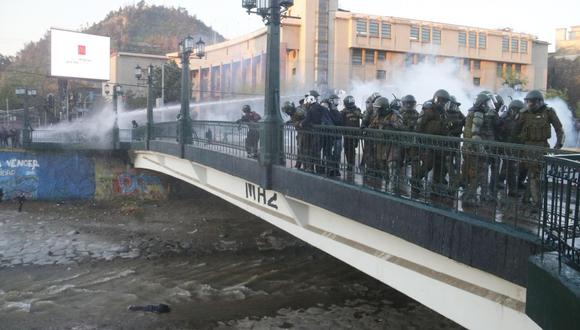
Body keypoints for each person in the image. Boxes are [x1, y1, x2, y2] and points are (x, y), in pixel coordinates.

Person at [517, 90, 564, 209]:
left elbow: (559, 129)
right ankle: (527, 198)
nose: (529, 105)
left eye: (531, 103)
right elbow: (515, 130)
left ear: (539, 102)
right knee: (530, 173)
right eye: (527, 102)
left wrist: (558, 145)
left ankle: (536, 203)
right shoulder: (524, 113)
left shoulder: (548, 112)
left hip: (540, 147)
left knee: (534, 174)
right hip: (526, 148)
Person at [462, 92, 499, 206]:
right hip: (475, 150)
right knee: (479, 174)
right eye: (487, 103)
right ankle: (468, 197)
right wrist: (482, 150)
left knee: (480, 172)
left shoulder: (474, 112)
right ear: (482, 104)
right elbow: (475, 134)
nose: (489, 105)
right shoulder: (478, 113)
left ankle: (482, 195)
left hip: (472, 149)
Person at [414, 89, 451, 196]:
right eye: (441, 101)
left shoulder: (443, 113)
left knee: (440, 164)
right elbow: (419, 125)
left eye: (445, 102)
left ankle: (437, 185)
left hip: (439, 143)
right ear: (436, 99)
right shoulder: (428, 110)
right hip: (428, 143)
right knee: (428, 164)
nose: (443, 104)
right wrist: (419, 140)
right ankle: (415, 180)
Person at [367, 96, 403, 191]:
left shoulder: (394, 114)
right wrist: (366, 128)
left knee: (392, 164)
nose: (376, 110)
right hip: (381, 143)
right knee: (382, 164)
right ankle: (387, 182)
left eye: (378, 108)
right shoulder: (378, 115)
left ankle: (393, 185)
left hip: (392, 143)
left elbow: (400, 125)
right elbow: (373, 124)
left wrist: (388, 123)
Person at [497, 99, 525, 196]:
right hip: (507, 146)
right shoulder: (506, 119)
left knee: (508, 167)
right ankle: (512, 190)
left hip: (512, 147)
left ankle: (500, 181)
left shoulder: (512, 118)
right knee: (511, 168)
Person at [300, 94, 328, 173]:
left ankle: (316, 168)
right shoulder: (320, 107)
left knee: (314, 151)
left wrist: (301, 124)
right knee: (320, 151)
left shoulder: (311, 109)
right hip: (324, 131)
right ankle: (321, 168)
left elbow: (307, 120)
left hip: (316, 132)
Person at [399, 94, 420, 190]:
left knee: (415, 160)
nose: (409, 106)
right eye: (408, 103)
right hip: (402, 140)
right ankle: (397, 179)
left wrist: (414, 128)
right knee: (399, 161)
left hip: (412, 141)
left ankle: (415, 180)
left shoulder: (416, 113)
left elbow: (419, 124)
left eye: (411, 104)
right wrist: (408, 127)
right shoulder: (399, 113)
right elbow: (398, 125)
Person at [444, 95, 466, 189]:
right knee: (448, 160)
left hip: (455, 139)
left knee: (456, 160)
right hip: (449, 139)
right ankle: (454, 179)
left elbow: (464, 120)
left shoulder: (458, 112)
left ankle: (457, 180)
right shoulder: (445, 113)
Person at [341, 95, 362, 178]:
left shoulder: (357, 110)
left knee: (351, 149)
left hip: (354, 134)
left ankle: (351, 164)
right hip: (347, 134)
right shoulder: (343, 112)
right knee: (347, 149)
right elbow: (341, 122)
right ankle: (350, 164)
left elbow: (362, 116)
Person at [283, 100, 307, 169]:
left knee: (302, 150)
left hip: (304, 133)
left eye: (286, 110)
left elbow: (306, 119)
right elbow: (294, 119)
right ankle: (298, 164)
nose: (287, 112)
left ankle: (305, 166)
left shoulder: (298, 112)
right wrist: (289, 121)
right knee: (300, 150)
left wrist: (299, 123)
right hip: (301, 132)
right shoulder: (294, 112)